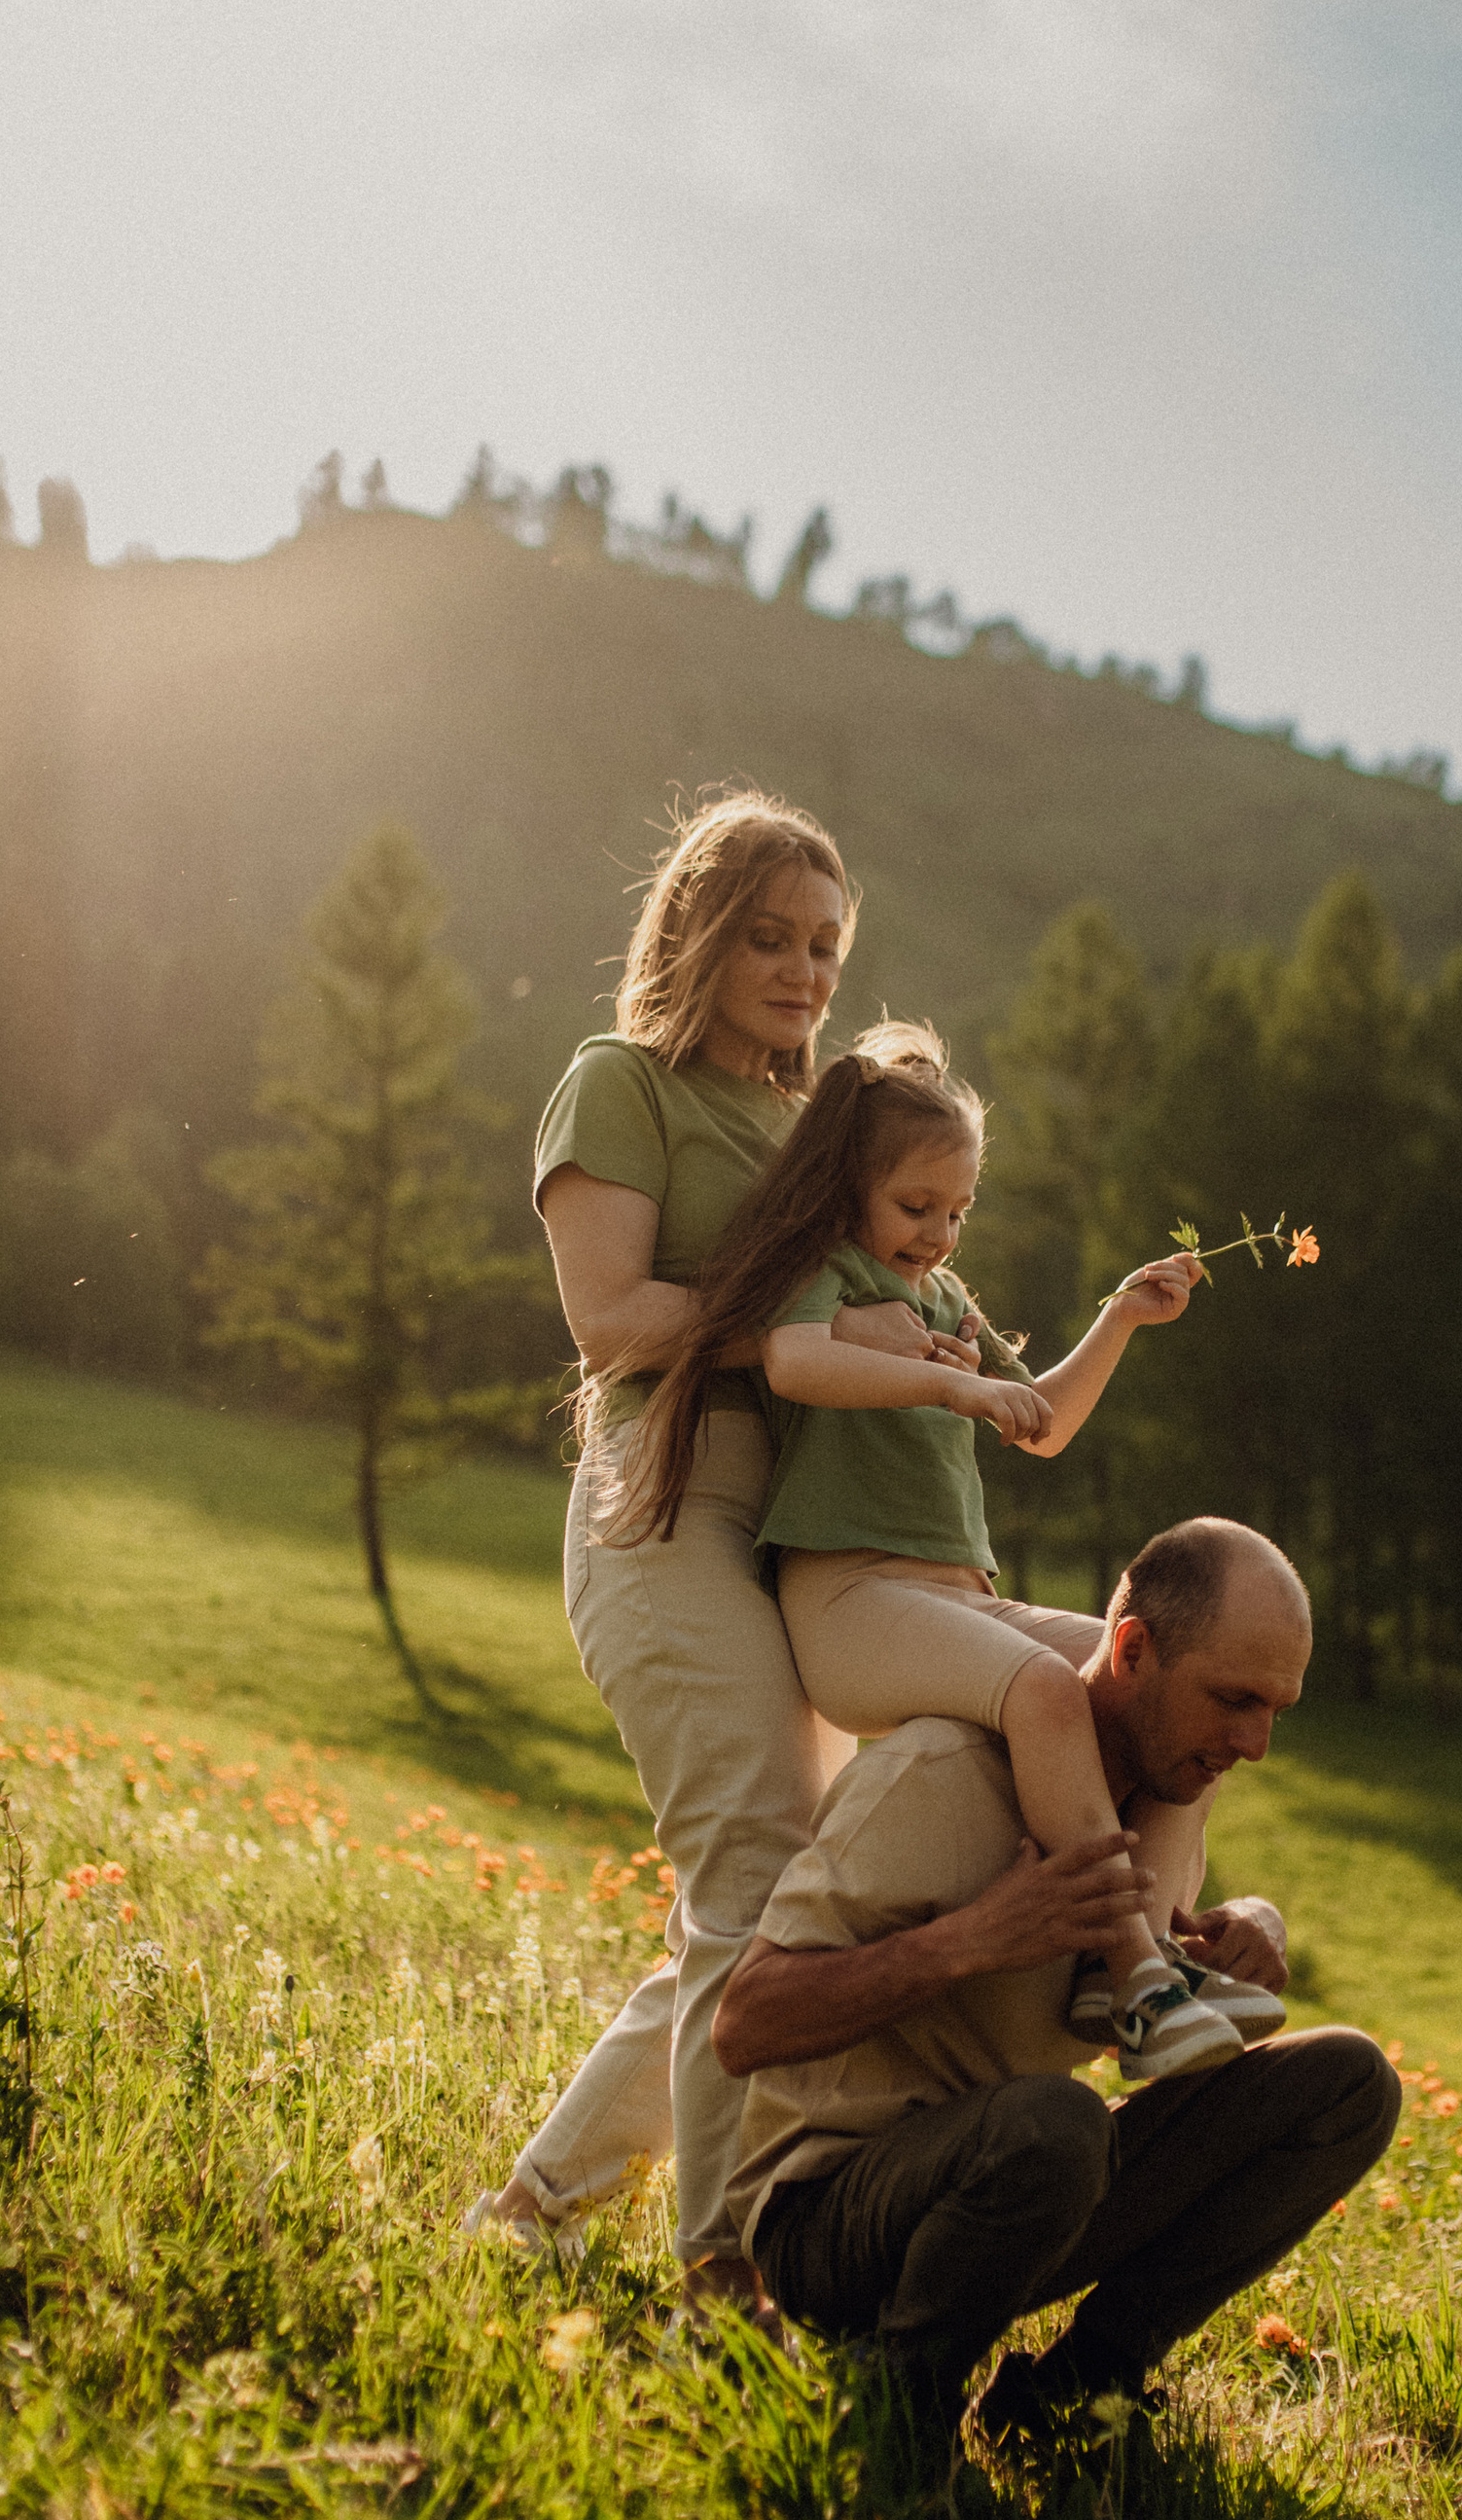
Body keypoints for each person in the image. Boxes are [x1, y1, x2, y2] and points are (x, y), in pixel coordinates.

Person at [476, 787, 970, 2301]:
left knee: (771, 1904)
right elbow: (614, 1319)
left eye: (826, 945)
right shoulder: (617, 1081)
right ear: (695, 927)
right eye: (769, 935)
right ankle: (723, 2256)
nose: (805, 972)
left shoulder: (828, 1121)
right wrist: (813, 1330)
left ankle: (541, 2202)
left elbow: (906, 1292)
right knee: (755, 1873)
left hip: (819, 1538)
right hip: (667, 1502)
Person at [618, 1024, 1252, 2075]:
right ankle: (1135, 1968)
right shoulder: (821, 1274)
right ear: (848, 1190)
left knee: (1168, 1697)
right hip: (851, 1602)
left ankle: (1127, 1962)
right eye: (917, 1208)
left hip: (961, 1597)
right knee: (1047, 1694)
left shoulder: (947, 1298)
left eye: (958, 1212)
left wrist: (1120, 1320)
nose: (940, 1235)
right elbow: (796, 1365)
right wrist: (949, 1383)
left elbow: (1038, 1421)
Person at [710, 1518, 1402, 2434]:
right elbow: (745, 2026)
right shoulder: (938, 1776)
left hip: (1023, 2185)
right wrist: (971, 1940)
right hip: (829, 2220)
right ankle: (898, 2411)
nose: (1256, 1742)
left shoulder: (1164, 1812)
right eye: (1233, 1699)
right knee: (1057, 2124)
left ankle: (1079, 2392)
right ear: (1132, 1648)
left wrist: (1235, 1935)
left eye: (1275, 1709)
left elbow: (1118, 2013)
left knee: (1349, 2082)